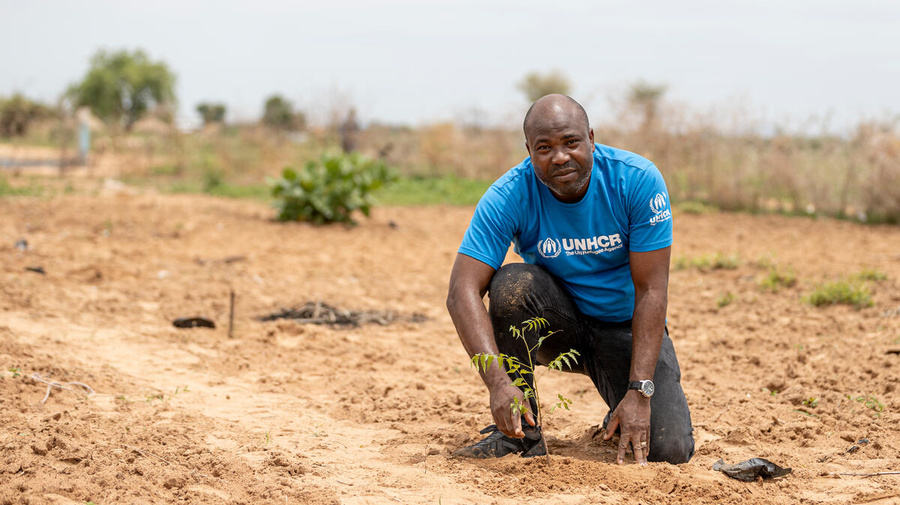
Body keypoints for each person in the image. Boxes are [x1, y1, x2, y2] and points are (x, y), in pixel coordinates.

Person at [445, 94, 694, 465]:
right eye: (544, 148)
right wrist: (498, 383)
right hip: (559, 325)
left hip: (624, 326)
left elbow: (651, 290)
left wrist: (640, 392)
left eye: (571, 142)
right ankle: (519, 436)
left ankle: (620, 406)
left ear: (591, 137)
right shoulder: (509, 194)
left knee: (668, 450)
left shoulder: (636, 180)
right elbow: (461, 292)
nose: (559, 157)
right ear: (529, 150)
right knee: (512, 284)